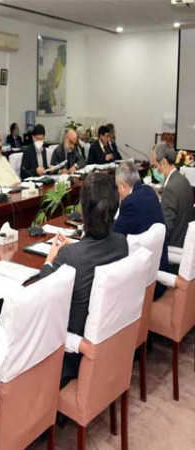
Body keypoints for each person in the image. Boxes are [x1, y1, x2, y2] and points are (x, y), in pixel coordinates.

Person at [40, 172, 128, 387]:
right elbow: (95, 251)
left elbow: (46, 292)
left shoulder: (71, 257)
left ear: (83, 210)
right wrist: (77, 245)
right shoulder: (122, 244)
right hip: (107, 342)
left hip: (73, 354)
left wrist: (49, 260)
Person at [113, 161, 169, 299]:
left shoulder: (130, 202)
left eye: (118, 187)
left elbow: (114, 236)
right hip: (158, 274)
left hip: (145, 284)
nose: (118, 192)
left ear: (123, 185)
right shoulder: (148, 191)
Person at [151, 143, 195, 247]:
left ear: (163, 162)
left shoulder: (170, 188)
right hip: (185, 240)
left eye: (155, 166)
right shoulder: (183, 180)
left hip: (174, 245)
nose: (155, 170)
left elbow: (166, 227)